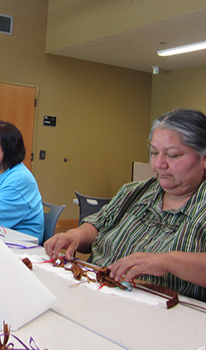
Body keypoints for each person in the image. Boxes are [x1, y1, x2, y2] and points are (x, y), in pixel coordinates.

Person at [45, 108, 206, 302]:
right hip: (92, 295)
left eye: (172, 155)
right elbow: (99, 225)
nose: (159, 164)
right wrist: (75, 236)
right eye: (154, 153)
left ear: (203, 158)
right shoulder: (134, 192)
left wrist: (168, 261)